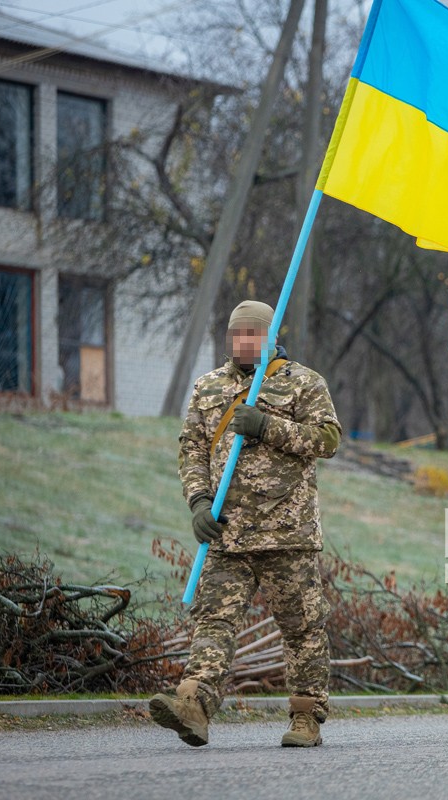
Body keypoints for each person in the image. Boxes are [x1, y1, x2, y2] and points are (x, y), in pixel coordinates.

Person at [151, 300, 342, 748]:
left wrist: (266, 426)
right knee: (213, 623)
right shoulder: (208, 387)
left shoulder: (303, 383)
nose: (241, 343)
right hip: (225, 534)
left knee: (302, 628)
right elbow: (192, 448)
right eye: (235, 335)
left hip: (286, 534)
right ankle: (193, 705)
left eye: (251, 335)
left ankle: (305, 717)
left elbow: (327, 440)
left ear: (270, 336)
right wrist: (198, 503)